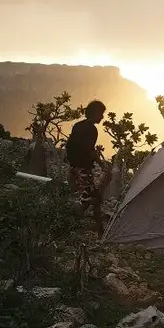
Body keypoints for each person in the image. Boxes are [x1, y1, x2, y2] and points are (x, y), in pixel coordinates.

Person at [65, 99, 107, 232]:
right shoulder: (91, 129)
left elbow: (70, 144)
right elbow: (90, 150)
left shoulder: (77, 125)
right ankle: (72, 222)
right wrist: (102, 165)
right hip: (83, 168)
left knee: (90, 196)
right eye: (101, 113)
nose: (102, 117)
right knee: (90, 197)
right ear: (95, 113)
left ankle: (98, 227)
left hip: (74, 167)